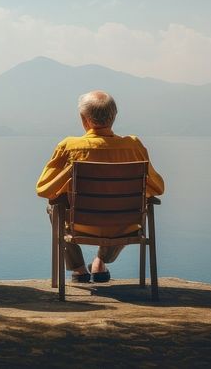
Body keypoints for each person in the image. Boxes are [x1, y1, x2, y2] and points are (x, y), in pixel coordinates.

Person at [36, 90, 164, 283]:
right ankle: (100, 263)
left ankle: (79, 269)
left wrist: (69, 173)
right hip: (124, 226)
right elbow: (158, 188)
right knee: (130, 205)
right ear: (114, 117)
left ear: (83, 119)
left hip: (80, 225)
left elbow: (44, 189)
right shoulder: (134, 146)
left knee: (54, 205)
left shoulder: (69, 146)